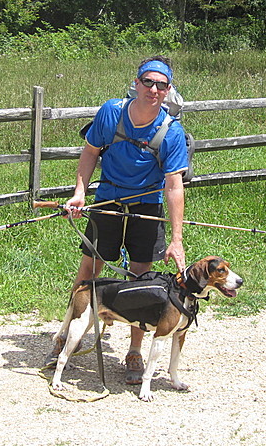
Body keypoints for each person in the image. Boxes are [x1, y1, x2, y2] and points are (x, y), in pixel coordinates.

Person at [46, 55, 189, 385]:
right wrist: (80, 192)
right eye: (148, 82)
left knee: (141, 280)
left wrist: (176, 239)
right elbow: (90, 151)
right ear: (136, 83)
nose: (154, 89)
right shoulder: (111, 111)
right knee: (89, 270)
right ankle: (67, 334)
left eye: (161, 85)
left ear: (168, 90)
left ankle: (134, 352)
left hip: (146, 205)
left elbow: (174, 185)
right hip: (107, 199)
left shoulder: (172, 132)